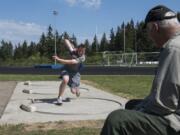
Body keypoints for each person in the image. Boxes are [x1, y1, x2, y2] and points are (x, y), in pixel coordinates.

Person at [101, 5, 180, 135]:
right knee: (132, 104)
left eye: (148, 31)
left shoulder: (173, 48)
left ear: (155, 28)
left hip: (176, 122)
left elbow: (163, 105)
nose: (149, 36)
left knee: (117, 119)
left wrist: (139, 111)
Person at [52, 38, 86, 105]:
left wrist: (59, 59)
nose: (82, 52)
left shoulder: (83, 58)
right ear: (77, 49)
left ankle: (76, 89)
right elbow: (67, 43)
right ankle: (59, 98)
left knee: (73, 91)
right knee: (65, 79)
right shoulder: (73, 51)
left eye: (83, 51)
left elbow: (71, 62)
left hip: (75, 74)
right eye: (80, 51)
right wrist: (67, 39)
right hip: (66, 70)